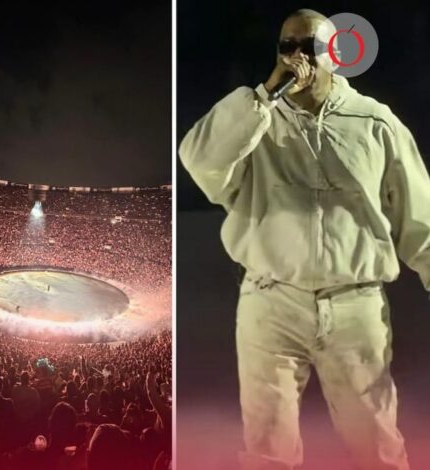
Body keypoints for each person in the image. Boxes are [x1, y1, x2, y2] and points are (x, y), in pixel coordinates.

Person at [179, 8, 428, 470]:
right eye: (286, 46)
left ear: (336, 54)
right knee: (266, 454)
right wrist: (262, 98)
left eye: (310, 46)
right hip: (271, 301)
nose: (297, 57)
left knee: (378, 448)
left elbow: (420, 216)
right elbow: (199, 159)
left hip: (354, 304)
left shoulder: (374, 122)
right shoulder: (256, 118)